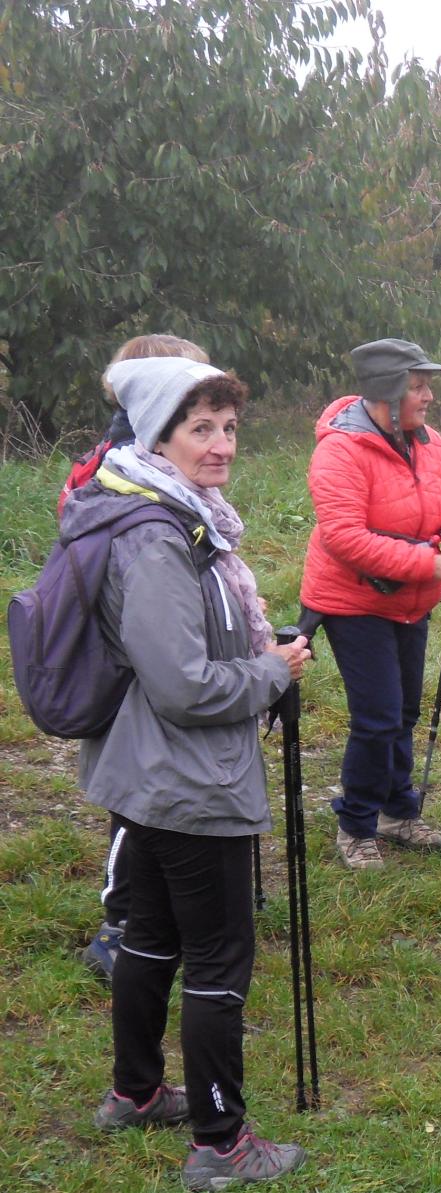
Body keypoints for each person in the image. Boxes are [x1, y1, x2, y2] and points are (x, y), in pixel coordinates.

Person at [68, 357, 313, 1190]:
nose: (220, 446)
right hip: (187, 780)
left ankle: (135, 1093)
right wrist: (271, 673)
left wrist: (254, 651)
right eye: (199, 428)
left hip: (149, 774)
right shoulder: (155, 539)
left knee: (152, 937)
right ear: (156, 436)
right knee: (217, 961)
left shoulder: (168, 514)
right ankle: (220, 1144)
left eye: (229, 428)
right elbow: (181, 685)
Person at [59, 333, 212, 984]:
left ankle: (164, 909)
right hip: (127, 656)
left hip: (163, 638)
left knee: (161, 788)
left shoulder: (151, 454)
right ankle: (119, 927)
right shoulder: (117, 465)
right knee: (136, 799)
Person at [299, 339, 441, 870]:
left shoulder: (429, 441)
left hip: (410, 600)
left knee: (403, 709)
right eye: (419, 385)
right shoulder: (339, 451)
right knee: (378, 716)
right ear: (387, 392)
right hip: (352, 599)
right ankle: (356, 825)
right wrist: (430, 565)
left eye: (428, 384)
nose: (429, 396)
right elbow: (343, 539)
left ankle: (397, 812)